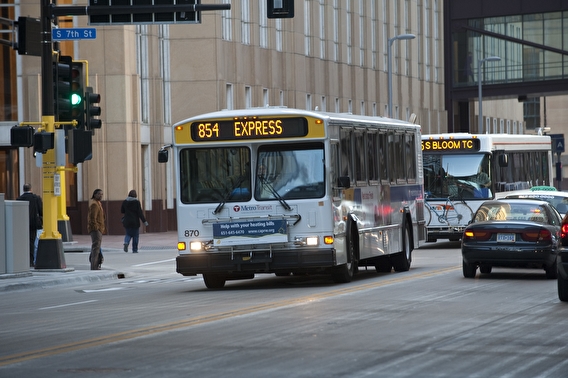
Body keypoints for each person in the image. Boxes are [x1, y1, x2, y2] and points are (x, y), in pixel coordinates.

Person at [17, 183, 43, 267]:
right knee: (33, 242)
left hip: (22, 224)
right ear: (31, 189)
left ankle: (24, 260)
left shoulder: (19, 199)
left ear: (23, 189)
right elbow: (41, 211)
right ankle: (31, 261)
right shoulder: (36, 198)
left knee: (23, 242)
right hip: (34, 224)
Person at [87, 189, 106, 270]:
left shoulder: (98, 204)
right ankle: (94, 266)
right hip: (95, 230)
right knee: (96, 248)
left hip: (99, 228)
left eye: (101, 194)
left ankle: (95, 265)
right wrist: (96, 228)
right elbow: (92, 218)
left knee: (96, 247)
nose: (100, 195)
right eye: (99, 194)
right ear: (94, 195)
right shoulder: (94, 204)